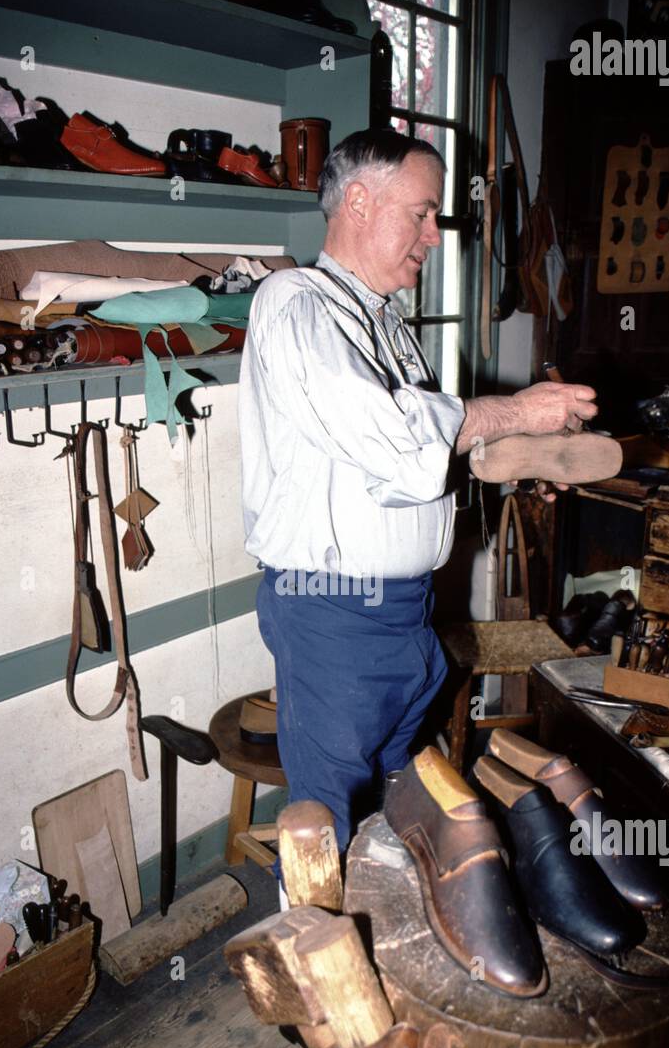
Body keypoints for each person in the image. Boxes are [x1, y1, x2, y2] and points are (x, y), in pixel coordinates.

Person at [238, 129, 598, 863]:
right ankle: (315, 959)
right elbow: (385, 431)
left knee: (395, 801)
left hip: (407, 615)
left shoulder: (383, 325)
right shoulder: (293, 303)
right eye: (422, 213)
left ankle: (391, 943)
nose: (433, 237)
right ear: (360, 202)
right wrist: (514, 411)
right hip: (332, 613)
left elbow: (407, 465)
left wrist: (522, 456)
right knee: (324, 827)